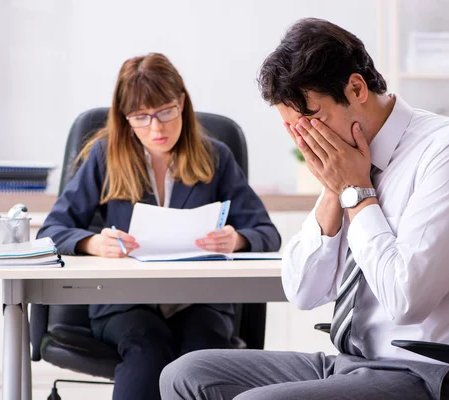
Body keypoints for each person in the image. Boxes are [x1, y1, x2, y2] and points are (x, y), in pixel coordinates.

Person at [159, 18, 449, 400]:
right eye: (293, 129)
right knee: (185, 374)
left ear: (356, 88)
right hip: (355, 362)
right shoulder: (347, 161)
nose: (308, 139)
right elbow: (303, 292)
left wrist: (356, 191)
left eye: (312, 119)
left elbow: (406, 301)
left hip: (437, 374)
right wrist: (334, 191)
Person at [37, 52, 281, 400]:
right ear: (125, 119)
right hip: (127, 303)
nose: (156, 128)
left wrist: (237, 239)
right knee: (147, 348)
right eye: (141, 117)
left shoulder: (216, 156)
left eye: (166, 111)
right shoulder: (106, 156)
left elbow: (267, 232)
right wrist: (92, 243)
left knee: (202, 358)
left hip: (201, 302)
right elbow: (52, 230)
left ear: (182, 102)